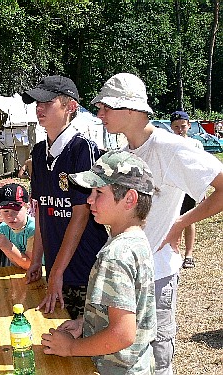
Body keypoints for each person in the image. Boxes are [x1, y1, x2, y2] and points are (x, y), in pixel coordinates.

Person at [91, 73, 223, 375]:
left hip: (157, 274)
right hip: (125, 276)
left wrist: (179, 223)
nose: (99, 114)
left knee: (157, 357)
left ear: (130, 109)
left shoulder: (170, 148)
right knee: (128, 356)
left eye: (106, 107)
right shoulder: (122, 154)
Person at [42, 150, 157, 375]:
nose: (89, 199)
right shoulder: (134, 242)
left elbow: (122, 334)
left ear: (130, 199)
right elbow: (127, 312)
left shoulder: (116, 254)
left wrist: (72, 347)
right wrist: (88, 323)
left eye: (98, 192)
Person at [21, 75, 109, 319]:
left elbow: (80, 215)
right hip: (57, 269)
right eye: (37, 104)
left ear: (70, 107)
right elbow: (42, 210)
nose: (39, 108)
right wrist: (37, 260)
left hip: (84, 269)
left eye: (47, 103)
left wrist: (57, 272)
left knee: (85, 341)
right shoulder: (39, 152)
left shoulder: (83, 149)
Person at [169, 110, 204, 269]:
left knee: (189, 219)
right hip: (172, 187)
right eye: (176, 127)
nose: (179, 130)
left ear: (189, 126)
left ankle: (189, 254)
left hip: (189, 187)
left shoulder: (195, 144)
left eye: (182, 126)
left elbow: (201, 168)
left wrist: (201, 189)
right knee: (172, 219)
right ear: (171, 127)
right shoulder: (168, 144)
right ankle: (173, 251)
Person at [0, 183, 36, 269]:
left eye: (15, 210)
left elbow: (30, 265)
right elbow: (16, 262)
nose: (10, 216)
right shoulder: (3, 229)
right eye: (5, 211)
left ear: (27, 206)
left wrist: (6, 246)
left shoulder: (34, 229)